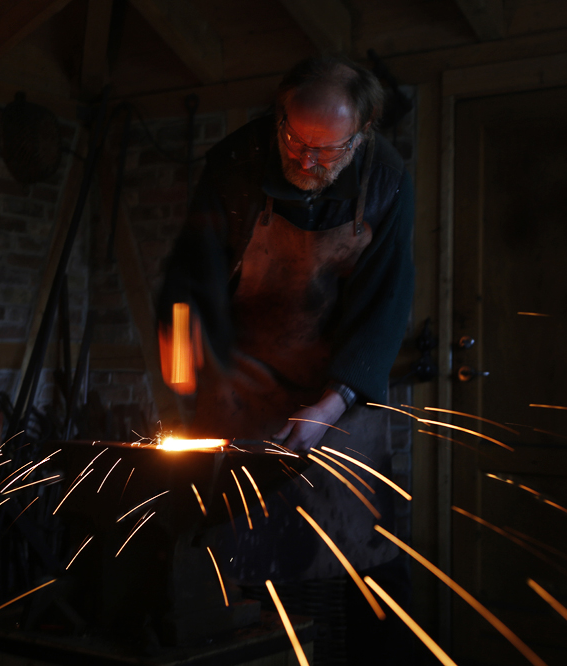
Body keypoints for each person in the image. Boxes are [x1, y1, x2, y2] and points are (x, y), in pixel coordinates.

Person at [157, 54, 415, 664]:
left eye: (328, 150)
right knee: (232, 562)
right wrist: (183, 350)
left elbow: (385, 304)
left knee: (352, 566)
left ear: (363, 134)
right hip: (241, 386)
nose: (306, 160)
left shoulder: (386, 178)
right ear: (280, 116)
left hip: (339, 393)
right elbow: (189, 277)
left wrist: (334, 401)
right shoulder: (236, 163)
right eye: (296, 141)